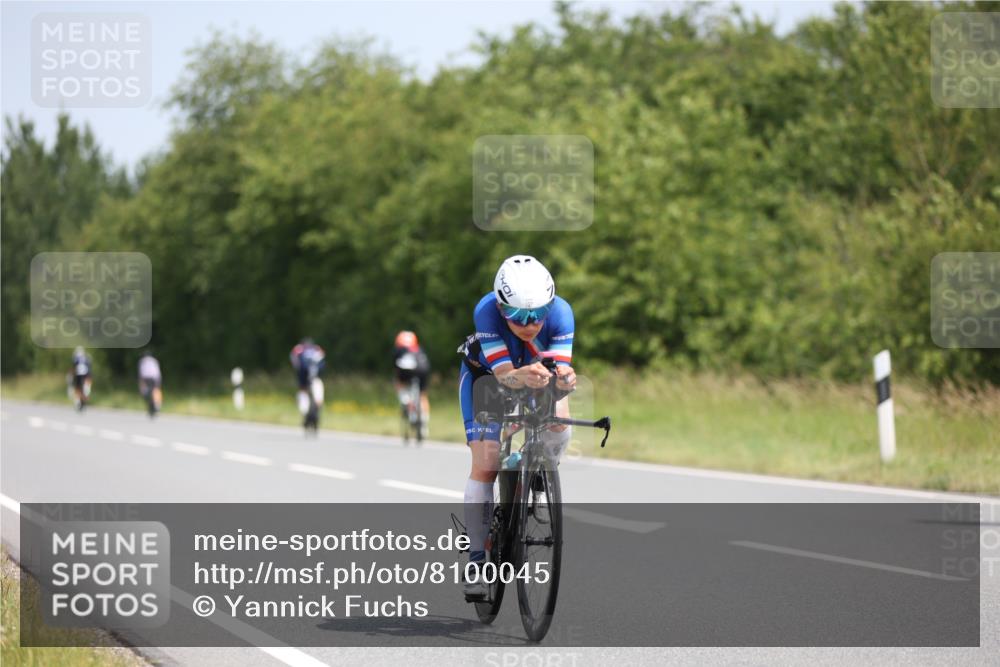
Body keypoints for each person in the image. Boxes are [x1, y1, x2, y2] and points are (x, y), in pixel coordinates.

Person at [457, 255, 577, 600]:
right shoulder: (486, 311)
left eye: (539, 313)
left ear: (550, 305)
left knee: (558, 418)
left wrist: (564, 379)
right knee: (485, 463)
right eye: (518, 316)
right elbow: (504, 375)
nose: (530, 324)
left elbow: (558, 371)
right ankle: (477, 560)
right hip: (485, 377)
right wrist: (525, 376)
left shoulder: (562, 313)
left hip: (531, 375)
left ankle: (542, 473)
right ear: (499, 305)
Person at [393, 331, 431, 439]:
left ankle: (405, 400)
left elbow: (395, 368)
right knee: (423, 395)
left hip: (405, 370)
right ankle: (424, 423)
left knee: (399, 382)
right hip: (423, 369)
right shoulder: (419, 349)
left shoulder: (398, 350)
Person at [289, 337, 326, 426]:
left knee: (303, 390)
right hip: (315, 376)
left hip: (303, 376)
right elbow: (323, 361)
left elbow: (294, 361)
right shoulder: (316, 349)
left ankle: (305, 412)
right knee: (317, 389)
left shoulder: (298, 349)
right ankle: (317, 406)